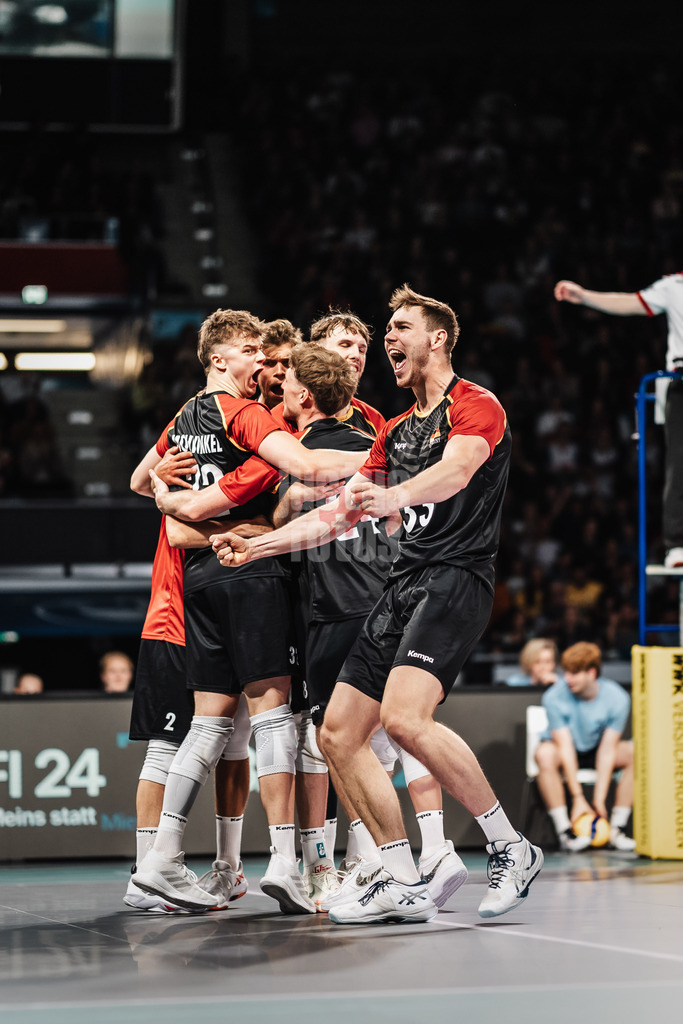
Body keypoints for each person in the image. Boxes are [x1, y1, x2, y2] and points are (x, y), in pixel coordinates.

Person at [212, 284, 543, 924]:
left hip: (454, 579)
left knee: (404, 719)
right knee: (337, 732)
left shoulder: (475, 405)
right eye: (385, 328)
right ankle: (396, 874)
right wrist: (258, 546)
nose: (388, 337)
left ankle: (510, 845)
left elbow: (457, 471)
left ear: (437, 338)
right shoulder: (395, 429)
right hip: (401, 585)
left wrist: (393, 497)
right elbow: (338, 513)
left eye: (400, 328)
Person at [132, 307, 366, 915]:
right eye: (252, 352)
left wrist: (164, 490)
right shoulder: (250, 416)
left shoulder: (185, 415)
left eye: (272, 357)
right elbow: (306, 467)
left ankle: (160, 859)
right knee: (275, 720)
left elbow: (149, 490)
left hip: (202, 583)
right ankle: (287, 862)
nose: (263, 363)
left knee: (208, 726)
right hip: (255, 580)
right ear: (219, 359)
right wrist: (393, 462)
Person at [124, 444, 262, 913]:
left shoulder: (244, 455)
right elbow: (141, 485)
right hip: (175, 619)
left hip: (231, 616)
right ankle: (147, 873)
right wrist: (264, 529)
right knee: (165, 747)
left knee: (236, 739)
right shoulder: (189, 435)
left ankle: (229, 866)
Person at [555, 275, 683, 567]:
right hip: (680, 382)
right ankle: (677, 545)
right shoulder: (674, 286)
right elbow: (630, 302)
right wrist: (585, 296)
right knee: (679, 462)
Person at [536, 641, 636, 853]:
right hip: (565, 750)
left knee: (634, 753)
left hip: (597, 749)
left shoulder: (618, 698)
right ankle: (566, 833)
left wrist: (599, 800)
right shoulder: (553, 697)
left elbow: (608, 750)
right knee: (544, 754)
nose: (567, 679)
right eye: (566, 672)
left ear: (591, 673)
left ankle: (617, 829)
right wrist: (578, 797)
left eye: (574, 673)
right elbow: (565, 746)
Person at [258, 319, 302, 410]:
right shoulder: (242, 416)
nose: (279, 372)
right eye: (269, 363)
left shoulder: (314, 418)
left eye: (287, 362)